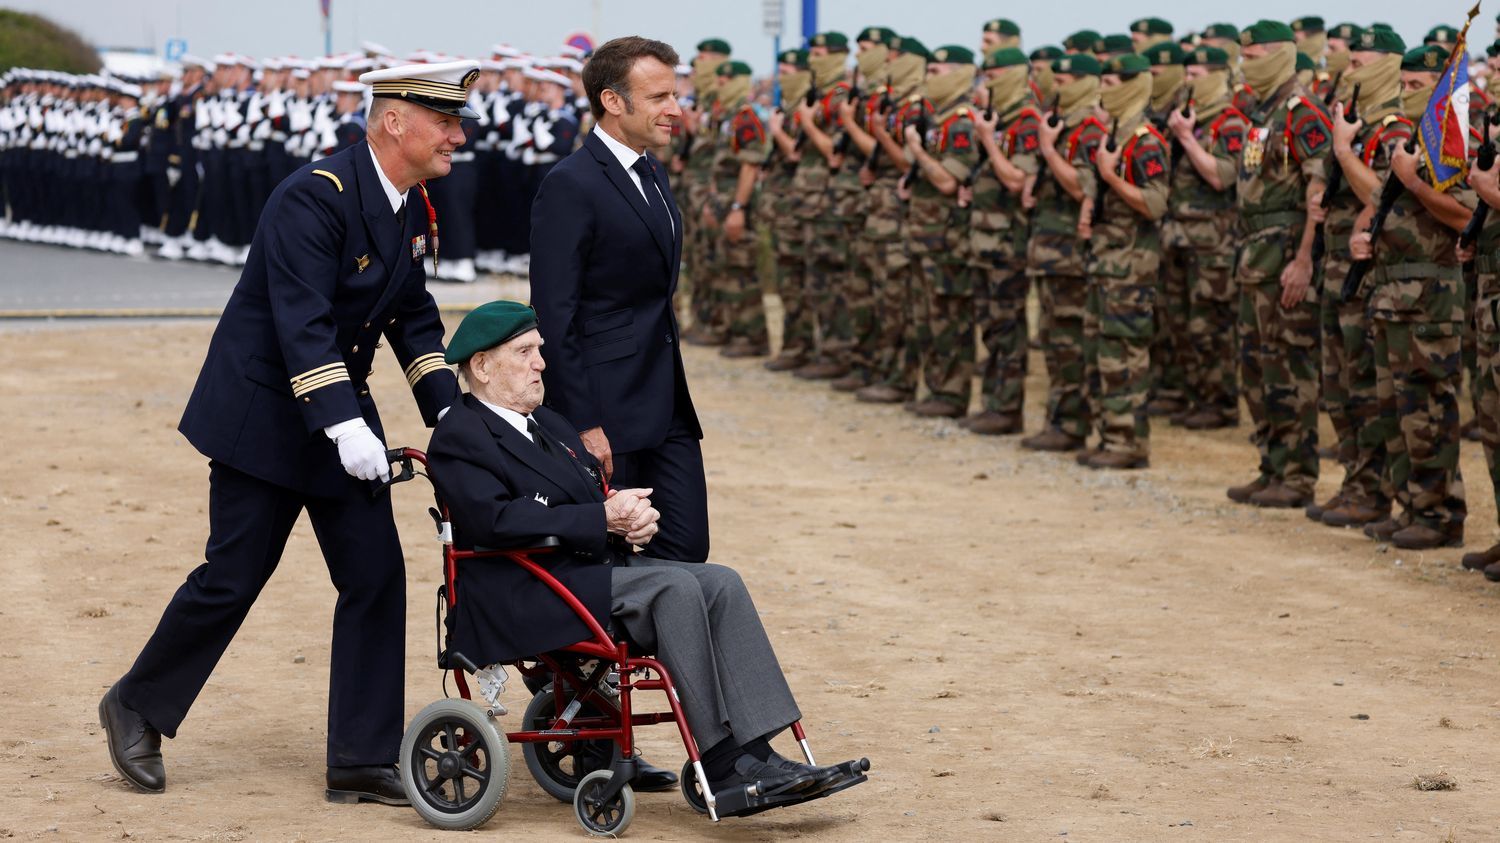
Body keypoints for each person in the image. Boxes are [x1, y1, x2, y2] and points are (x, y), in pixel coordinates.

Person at [97, 61, 479, 805]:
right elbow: (301, 325)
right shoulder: (314, 197)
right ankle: (136, 704)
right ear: (394, 120)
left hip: (338, 415)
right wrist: (344, 423)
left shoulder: (406, 202)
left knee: (375, 576)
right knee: (233, 577)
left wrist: (446, 410)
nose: (457, 136)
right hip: (264, 417)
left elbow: (411, 314)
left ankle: (362, 758)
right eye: (444, 122)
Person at [426, 301, 869, 816]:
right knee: (675, 589)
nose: (540, 364)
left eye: (539, 351)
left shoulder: (549, 424)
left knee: (721, 581)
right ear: (481, 366)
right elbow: (494, 524)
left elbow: (591, 500)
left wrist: (629, 518)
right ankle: (722, 763)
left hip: (579, 572)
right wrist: (601, 519)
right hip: (520, 587)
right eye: (524, 353)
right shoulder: (461, 433)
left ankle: (759, 751)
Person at [530, 35, 710, 565]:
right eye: (658, 97)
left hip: (664, 398)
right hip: (607, 408)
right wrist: (584, 422)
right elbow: (554, 314)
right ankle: (608, 651)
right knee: (614, 552)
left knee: (684, 545)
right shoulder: (571, 184)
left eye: (673, 95)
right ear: (613, 101)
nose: (674, 109)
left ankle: (663, 648)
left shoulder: (651, 171)